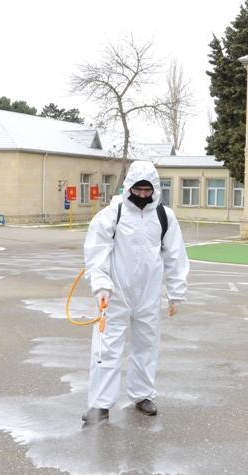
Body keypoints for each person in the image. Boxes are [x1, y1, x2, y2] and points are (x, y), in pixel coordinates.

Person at [81, 161, 189, 425]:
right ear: (128, 187)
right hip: (115, 295)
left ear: (155, 189)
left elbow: (175, 255)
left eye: (147, 190)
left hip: (148, 296)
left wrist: (175, 293)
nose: (142, 195)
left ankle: (142, 395)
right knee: (106, 348)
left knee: (147, 345)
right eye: (138, 190)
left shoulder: (164, 216)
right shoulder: (111, 215)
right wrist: (101, 286)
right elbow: (96, 254)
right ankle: (100, 405)